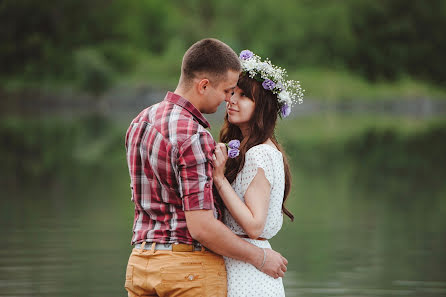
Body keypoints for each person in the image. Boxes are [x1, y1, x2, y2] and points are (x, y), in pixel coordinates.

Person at [124, 39, 288, 297]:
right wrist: (261, 257)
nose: (228, 99)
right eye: (227, 91)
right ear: (203, 85)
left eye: (237, 94)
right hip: (186, 269)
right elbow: (201, 227)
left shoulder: (140, 122)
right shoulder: (194, 135)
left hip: (140, 264)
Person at [212, 50, 304, 296]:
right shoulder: (262, 149)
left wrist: (219, 180)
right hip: (248, 263)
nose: (232, 100)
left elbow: (254, 225)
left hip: (248, 269)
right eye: (231, 92)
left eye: (243, 96)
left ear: (261, 106)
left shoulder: (259, 154)